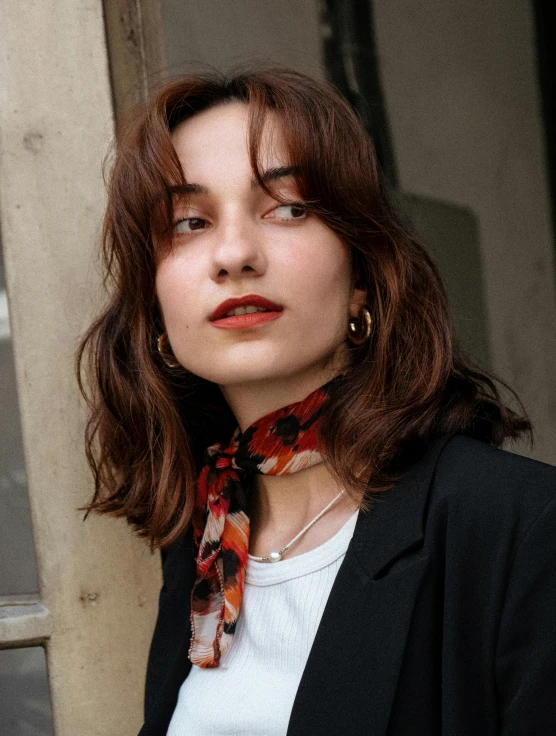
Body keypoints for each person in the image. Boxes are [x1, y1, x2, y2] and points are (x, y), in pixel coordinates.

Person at [77, 67, 556, 735]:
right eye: (189, 222)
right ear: (155, 314)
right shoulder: (205, 544)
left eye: (290, 208)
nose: (236, 253)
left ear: (362, 276)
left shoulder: (521, 525)